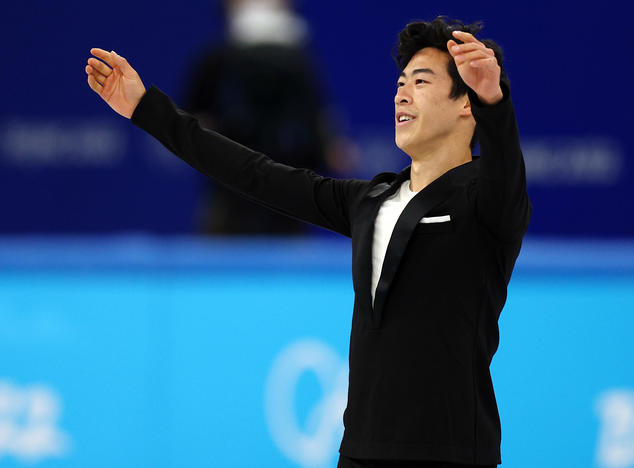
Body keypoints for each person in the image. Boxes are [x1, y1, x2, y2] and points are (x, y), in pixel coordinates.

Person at [85, 16, 531, 468]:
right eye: (400, 82)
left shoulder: (485, 203)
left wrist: (494, 102)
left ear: (465, 106)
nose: (401, 92)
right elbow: (252, 173)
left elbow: (506, 175)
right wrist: (146, 108)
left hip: (450, 455)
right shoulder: (368, 201)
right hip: (359, 453)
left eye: (421, 81)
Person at [183, 0, 353, 235]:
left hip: (285, 193)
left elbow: (315, 119)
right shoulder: (218, 62)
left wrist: (328, 147)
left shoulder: (298, 64)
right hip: (232, 193)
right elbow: (195, 117)